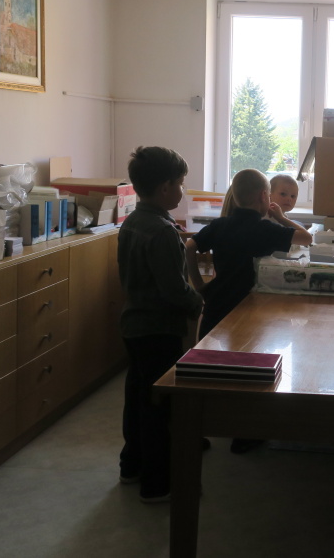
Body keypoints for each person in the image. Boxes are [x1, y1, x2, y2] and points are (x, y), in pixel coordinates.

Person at [117, 146, 204, 504]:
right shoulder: (163, 232)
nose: (183, 190)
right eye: (181, 183)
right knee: (160, 406)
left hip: (134, 325)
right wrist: (198, 301)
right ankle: (157, 483)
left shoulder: (133, 222)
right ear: (166, 187)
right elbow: (173, 289)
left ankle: (131, 465)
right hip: (159, 329)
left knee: (138, 397)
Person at [187, 168, 312, 339]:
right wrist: (281, 218)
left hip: (216, 303)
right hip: (247, 304)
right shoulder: (265, 229)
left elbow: (189, 246)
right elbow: (307, 238)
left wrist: (199, 285)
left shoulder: (219, 224)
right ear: (263, 196)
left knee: (208, 351)